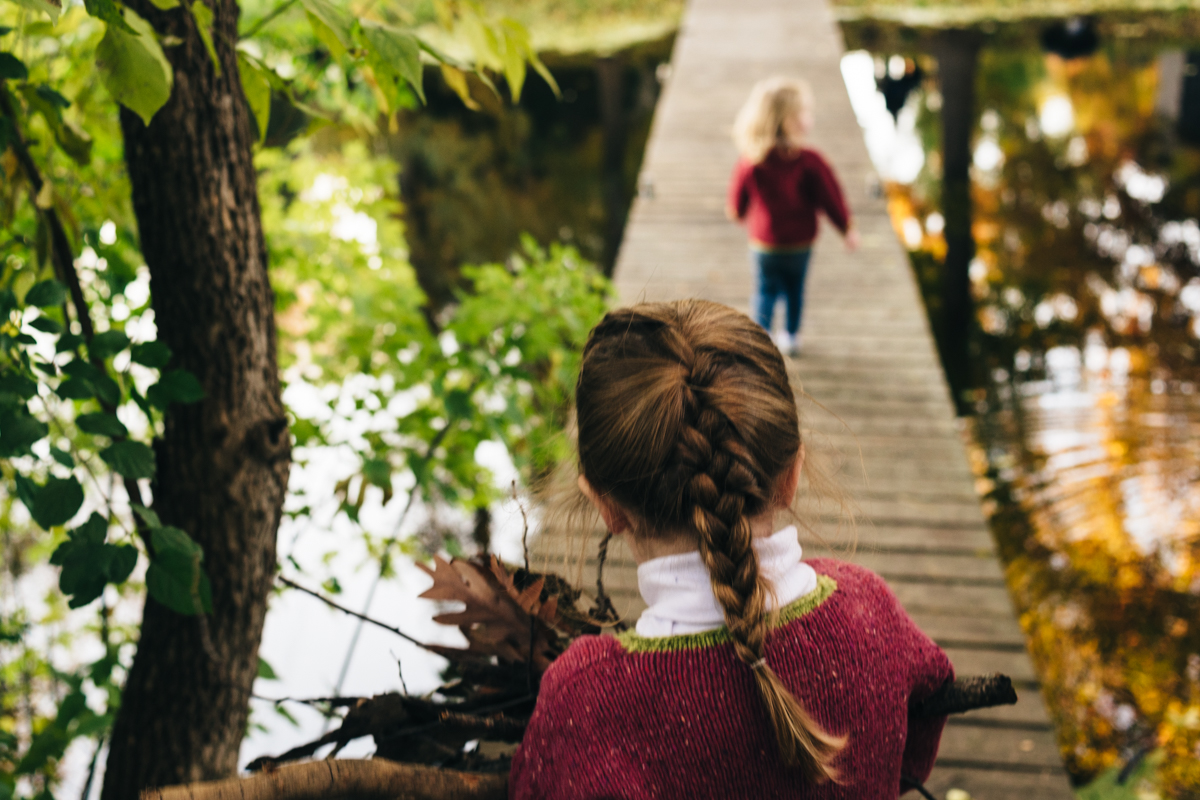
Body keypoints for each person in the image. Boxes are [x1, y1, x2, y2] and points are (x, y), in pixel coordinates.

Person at [510, 300, 952, 799]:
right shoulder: (868, 612)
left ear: (605, 506)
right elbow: (925, 717)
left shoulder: (587, 699)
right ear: (792, 476)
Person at [727, 77, 859, 356]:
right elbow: (830, 199)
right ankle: (790, 335)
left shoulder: (751, 161)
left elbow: (737, 201)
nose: (809, 118)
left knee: (764, 291)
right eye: (804, 113)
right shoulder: (810, 161)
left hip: (764, 244)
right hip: (800, 244)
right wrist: (846, 228)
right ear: (788, 121)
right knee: (794, 291)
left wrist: (738, 213)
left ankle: (761, 337)